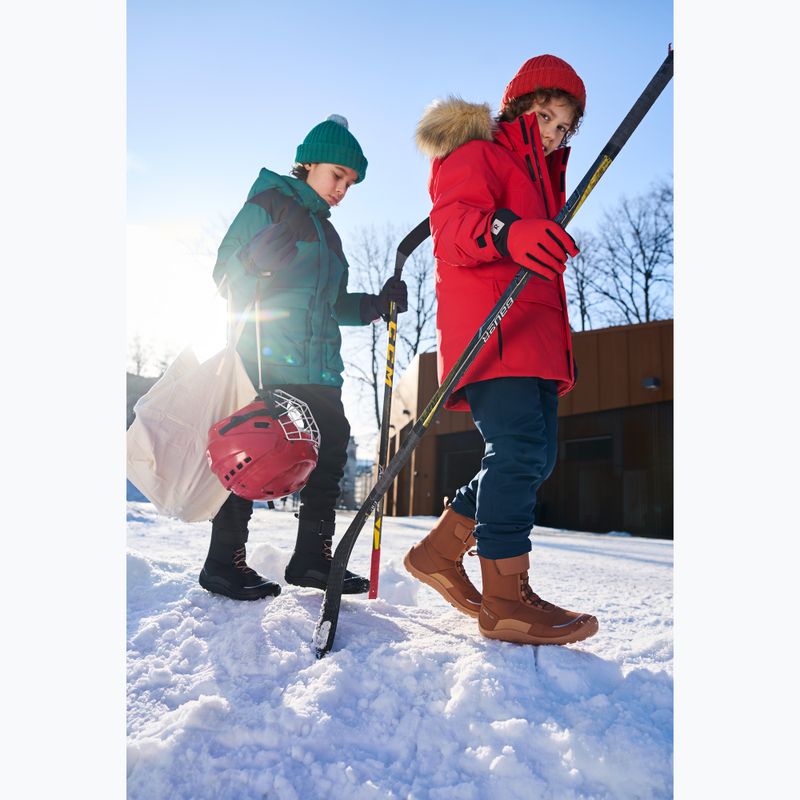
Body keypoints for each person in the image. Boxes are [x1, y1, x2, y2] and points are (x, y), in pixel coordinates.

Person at [404, 55, 599, 645]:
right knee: (516, 450)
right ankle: (505, 600)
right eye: (545, 117)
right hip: (495, 330)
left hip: (535, 339)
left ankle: (440, 552)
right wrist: (508, 231)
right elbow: (454, 225)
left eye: (565, 128)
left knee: (533, 459)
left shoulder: (547, 180)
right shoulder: (479, 153)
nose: (553, 133)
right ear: (518, 108)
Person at [201, 114, 408, 601]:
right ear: (308, 164)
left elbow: (333, 304)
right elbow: (225, 278)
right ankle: (223, 562)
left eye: (351, 183)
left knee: (332, 441)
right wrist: (252, 263)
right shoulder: (268, 204)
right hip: (265, 355)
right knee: (256, 453)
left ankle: (312, 560)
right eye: (338, 175)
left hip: (318, 367)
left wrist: (374, 306)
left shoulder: (329, 237)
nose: (342, 189)